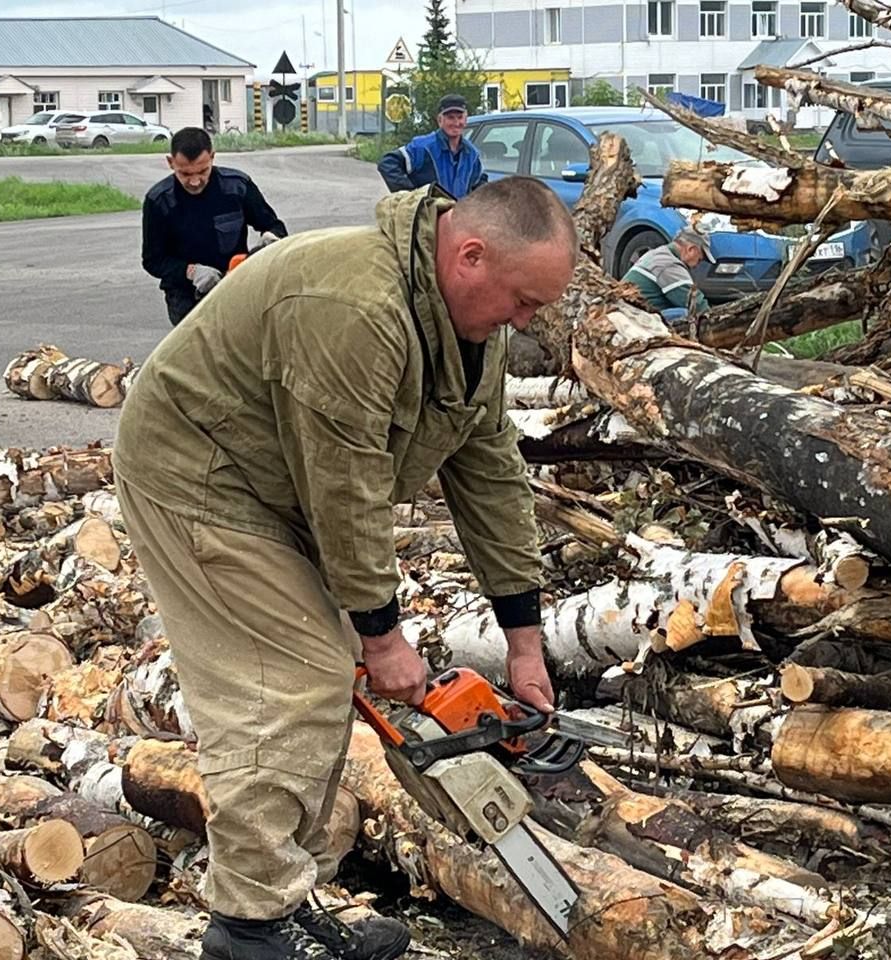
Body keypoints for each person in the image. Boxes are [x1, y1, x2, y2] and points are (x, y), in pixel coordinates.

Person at [114, 177, 578, 960]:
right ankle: (249, 931)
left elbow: (490, 471)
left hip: (278, 489)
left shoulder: (468, 331)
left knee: (320, 679)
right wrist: (381, 635)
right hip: (202, 477)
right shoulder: (355, 306)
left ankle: (282, 905)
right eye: (523, 300)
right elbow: (346, 483)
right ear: (469, 256)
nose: (525, 321)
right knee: (287, 681)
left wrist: (524, 642)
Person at [142, 127, 287, 326]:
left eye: (202, 171)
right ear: (170, 162)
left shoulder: (237, 186)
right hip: (186, 298)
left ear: (212, 157)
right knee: (198, 353)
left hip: (236, 288)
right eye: (184, 173)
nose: (194, 181)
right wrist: (191, 272)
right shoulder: (159, 201)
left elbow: (273, 225)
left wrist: (271, 239)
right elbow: (153, 260)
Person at [377, 94, 486, 199]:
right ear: (440, 120)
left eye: (460, 117)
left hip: (457, 216)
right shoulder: (423, 147)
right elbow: (387, 163)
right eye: (450, 118)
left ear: (465, 120)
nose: (456, 122)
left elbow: (480, 186)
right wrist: (410, 196)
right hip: (427, 217)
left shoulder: (471, 154)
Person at [623, 226, 714, 321]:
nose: (697, 265)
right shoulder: (669, 264)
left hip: (629, 312)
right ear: (691, 249)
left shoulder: (658, 254)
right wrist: (712, 317)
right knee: (685, 314)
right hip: (634, 318)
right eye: (699, 259)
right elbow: (693, 303)